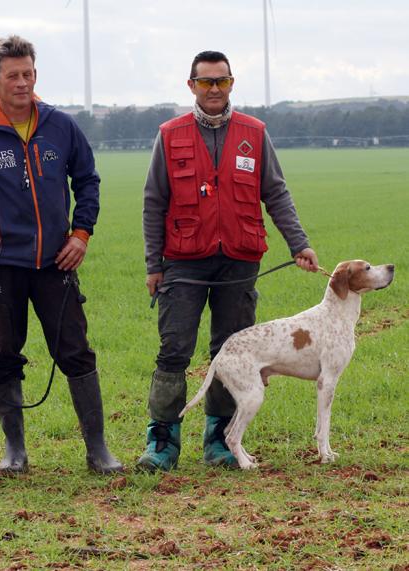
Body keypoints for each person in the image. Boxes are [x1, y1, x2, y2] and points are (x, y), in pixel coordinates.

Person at [138, 50, 319, 472]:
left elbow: (276, 192)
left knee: (230, 350)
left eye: (222, 81)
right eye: (206, 82)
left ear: (232, 83)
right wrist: (153, 264)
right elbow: (153, 202)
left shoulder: (254, 133)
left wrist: (299, 244)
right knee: (173, 351)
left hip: (239, 261)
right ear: (192, 87)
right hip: (183, 262)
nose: (214, 89)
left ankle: (219, 439)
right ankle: (161, 442)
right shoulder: (170, 135)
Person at [0, 35, 123, 475]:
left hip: (55, 264)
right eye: (13, 76)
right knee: (3, 352)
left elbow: (88, 181)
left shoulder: (60, 126)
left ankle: (98, 449)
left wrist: (81, 233)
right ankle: (15, 451)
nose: (22, 82)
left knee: (76, 350)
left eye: (28, 73)